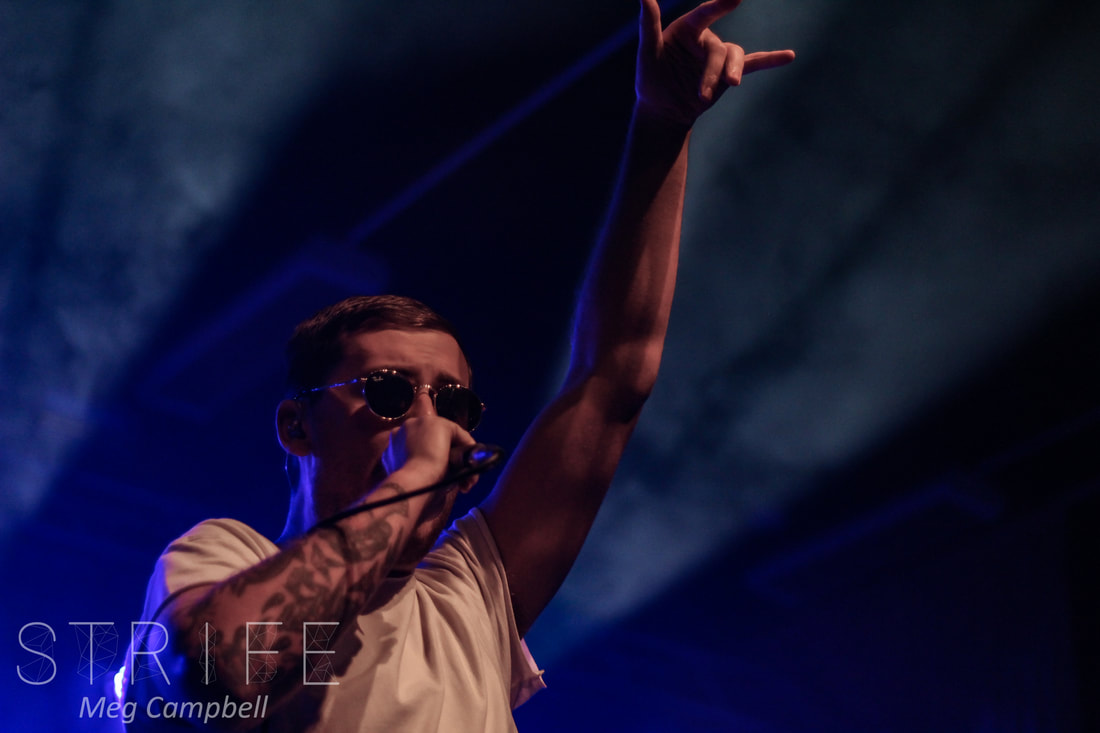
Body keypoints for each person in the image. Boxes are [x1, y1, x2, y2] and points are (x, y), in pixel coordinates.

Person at [122, 1, 794, 730]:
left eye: (453, 404)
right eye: (387, 392)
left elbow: (614, 375)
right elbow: (221, 677)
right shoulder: (220, 554)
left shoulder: (468, 591)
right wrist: (413, 481)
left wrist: (662, 126)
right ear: (297, 424)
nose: (430, 423)